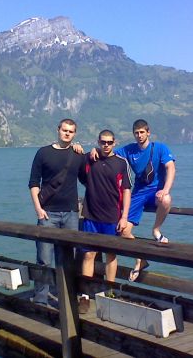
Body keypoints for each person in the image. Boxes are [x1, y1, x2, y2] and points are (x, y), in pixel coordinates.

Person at [94, 119, 176, 282]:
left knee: (166, 200)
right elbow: (109, 152)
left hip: (157, 192)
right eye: (136, 133)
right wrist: (95, 150)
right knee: (123, 230)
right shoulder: (129, 150)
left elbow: (170, 168)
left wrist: (165, 189)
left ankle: (156, 230)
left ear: (148, 132)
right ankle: (140, 259)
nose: (139, 135)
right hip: (138, 193)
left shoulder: (160, 148)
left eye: (142, 132)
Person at [28, 118, 84, 306]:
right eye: (64, 130)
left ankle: (66, 299)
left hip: (71, 214)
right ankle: (40, 299)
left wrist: (90, 153)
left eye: (71, 131)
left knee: (67, 260)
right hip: (47, 214)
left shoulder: (77, 154)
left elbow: (88, 178)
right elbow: (34, 183)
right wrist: (38, 208)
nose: (67, 133)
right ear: (58, 130)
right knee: (44, 259)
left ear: (74, 134)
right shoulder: (43, 153)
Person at [77, 130, 131, 312]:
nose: (106, 145)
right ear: (98, 142)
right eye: (103, 142)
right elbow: (76, 166)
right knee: (88, 255)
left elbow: (126, 190)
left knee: (111, 256)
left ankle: (110, 293)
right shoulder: (90, 158)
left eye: (109, 142)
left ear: (114, 142)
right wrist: (87, 151)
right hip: (91, 216)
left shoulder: (121, 163)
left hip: (112, 217)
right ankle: (85, 296)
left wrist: (124, 216)